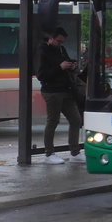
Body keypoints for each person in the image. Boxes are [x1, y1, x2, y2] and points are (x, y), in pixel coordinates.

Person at [35, 26, 84, 164]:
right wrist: (60, 67)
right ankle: (49, 153)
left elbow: (65, 62)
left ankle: (75, 152)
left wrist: (71, 66)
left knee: (76, 120)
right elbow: (41, 75)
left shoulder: (61, 49)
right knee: (53, 121)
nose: (60, 44)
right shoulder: (42, 51)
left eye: (62, 41)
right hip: (52, 91)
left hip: (66, 89)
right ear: (50, 38)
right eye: (58, 41)